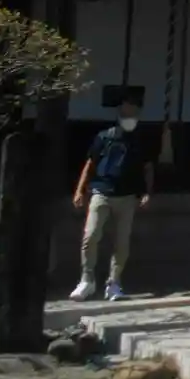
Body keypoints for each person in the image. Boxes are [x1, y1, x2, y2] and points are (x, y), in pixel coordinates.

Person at [70, 97, 153, 302]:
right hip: (101, 192)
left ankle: (114, 283)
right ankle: (87, 279)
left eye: (133, 115)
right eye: (126, 115)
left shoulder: (141, 140)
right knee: (90, 235)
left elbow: (147, 168)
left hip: (127, 196)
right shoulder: (105, 136)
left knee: (121, 242)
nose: (129, 118)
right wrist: (80, 190)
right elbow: (90, 164)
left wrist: (146, 192)